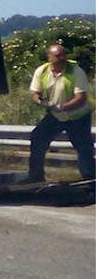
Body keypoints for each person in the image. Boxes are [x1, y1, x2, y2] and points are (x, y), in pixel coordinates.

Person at [26, 44, 95, 182]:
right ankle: (36, 176)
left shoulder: (76, 71)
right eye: (58, 56)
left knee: (83, 147)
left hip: (77, 116)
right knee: (38, 138)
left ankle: (91, 180)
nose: (62, 58)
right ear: (49, 57)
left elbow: (80, 99)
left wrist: (62, 107)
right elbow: (35, 93)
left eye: (64, 54)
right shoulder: (42, 71)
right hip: (56, 114)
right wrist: (41, 102)